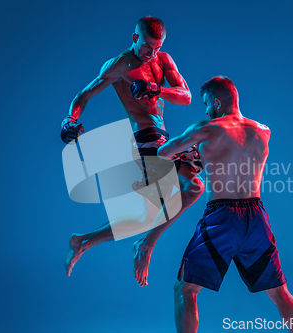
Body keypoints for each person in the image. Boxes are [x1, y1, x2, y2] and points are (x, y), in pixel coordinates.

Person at [157, 76, 293, 333]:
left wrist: (184, 149)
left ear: (217, 102)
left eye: (206, 104)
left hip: (223, 217)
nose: (205, 110)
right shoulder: (263, 131)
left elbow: (162, 153)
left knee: (186, 289)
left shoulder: (208, 128)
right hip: (256, 216)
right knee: (280, 293)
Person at [61, 16, 204, 286]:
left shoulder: (163, 60)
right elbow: (84, 95)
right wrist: (70, 119)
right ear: (136, 38)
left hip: (166, 138)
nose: (152, 53)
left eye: (157, 47)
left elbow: (186, 96)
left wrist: (156, 89)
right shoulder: (119, 66)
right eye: (148, 47)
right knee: (176, 196)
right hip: (147, 139)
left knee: (188, 190)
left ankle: (85, 241)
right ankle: (141, 245)